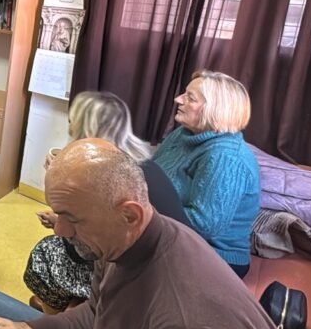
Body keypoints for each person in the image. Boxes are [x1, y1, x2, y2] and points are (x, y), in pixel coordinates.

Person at [0, 139, 284, 329]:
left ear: (129, 214)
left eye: (73, 218)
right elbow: (96, 313)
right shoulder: (121, 241)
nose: (61, 231)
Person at [23, 91, 190, 314]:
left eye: (73, 121)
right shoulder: (139, 162)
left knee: (45, 254)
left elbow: (81, 250)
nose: (70, 128)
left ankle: (54, 312)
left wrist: (60, 181)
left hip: (147, 276)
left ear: (87, 130)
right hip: (167, 259)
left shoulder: (104, 177)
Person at [153, 69, 260, 277]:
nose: (178, 99)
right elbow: (152, 174)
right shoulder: (183, 134)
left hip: (214, 257)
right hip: (171, 236)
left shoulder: (226, 157)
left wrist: (145, 208)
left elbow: (204, 226)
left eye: (190, 98)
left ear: (216, 110)